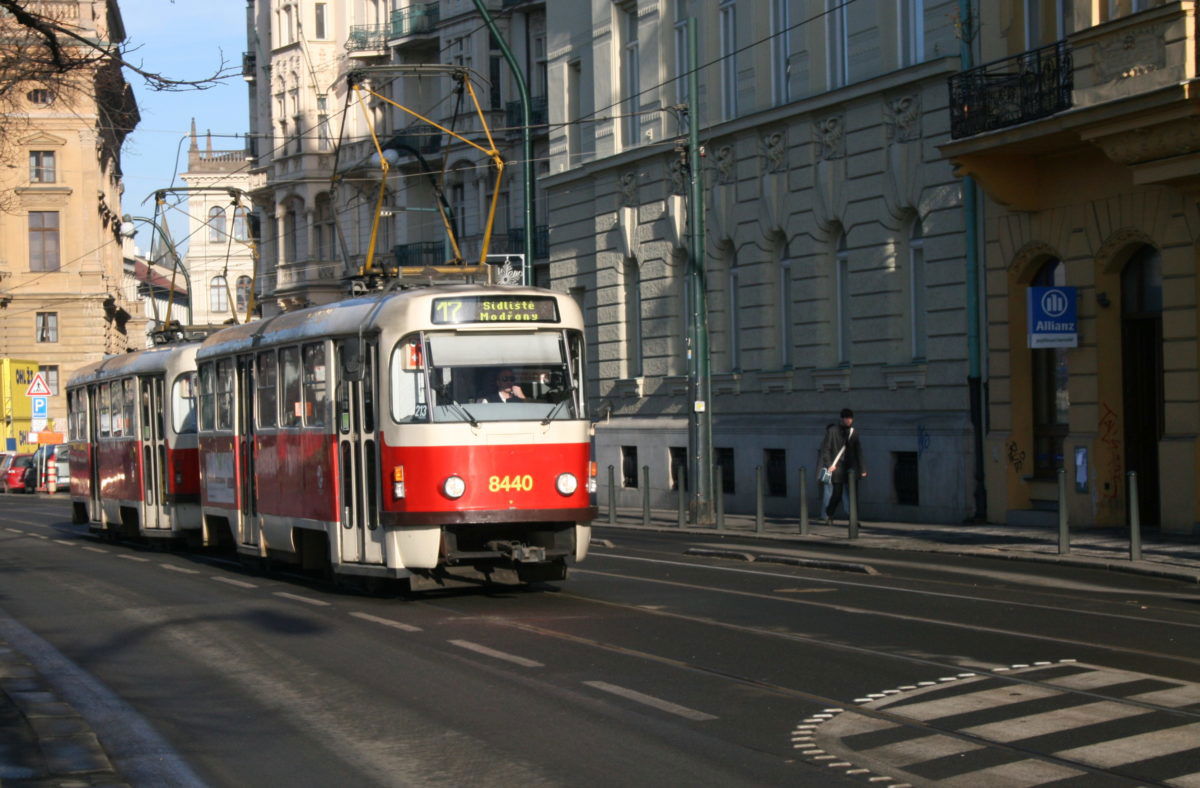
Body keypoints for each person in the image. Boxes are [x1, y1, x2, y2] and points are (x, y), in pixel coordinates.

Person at [818, 408, 866, 525]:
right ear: (842, 419)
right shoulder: (833, 431)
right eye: (847, 418)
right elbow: (826, 449)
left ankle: (853, 519)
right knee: (837, 494)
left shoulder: (854, 432)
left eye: (851, 418)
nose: (849, 420)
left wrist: (863, 468)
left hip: (851, 468)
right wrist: (829, 465)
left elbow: (858, 451)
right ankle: (829, 514)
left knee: (853, 495)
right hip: (837, 468)